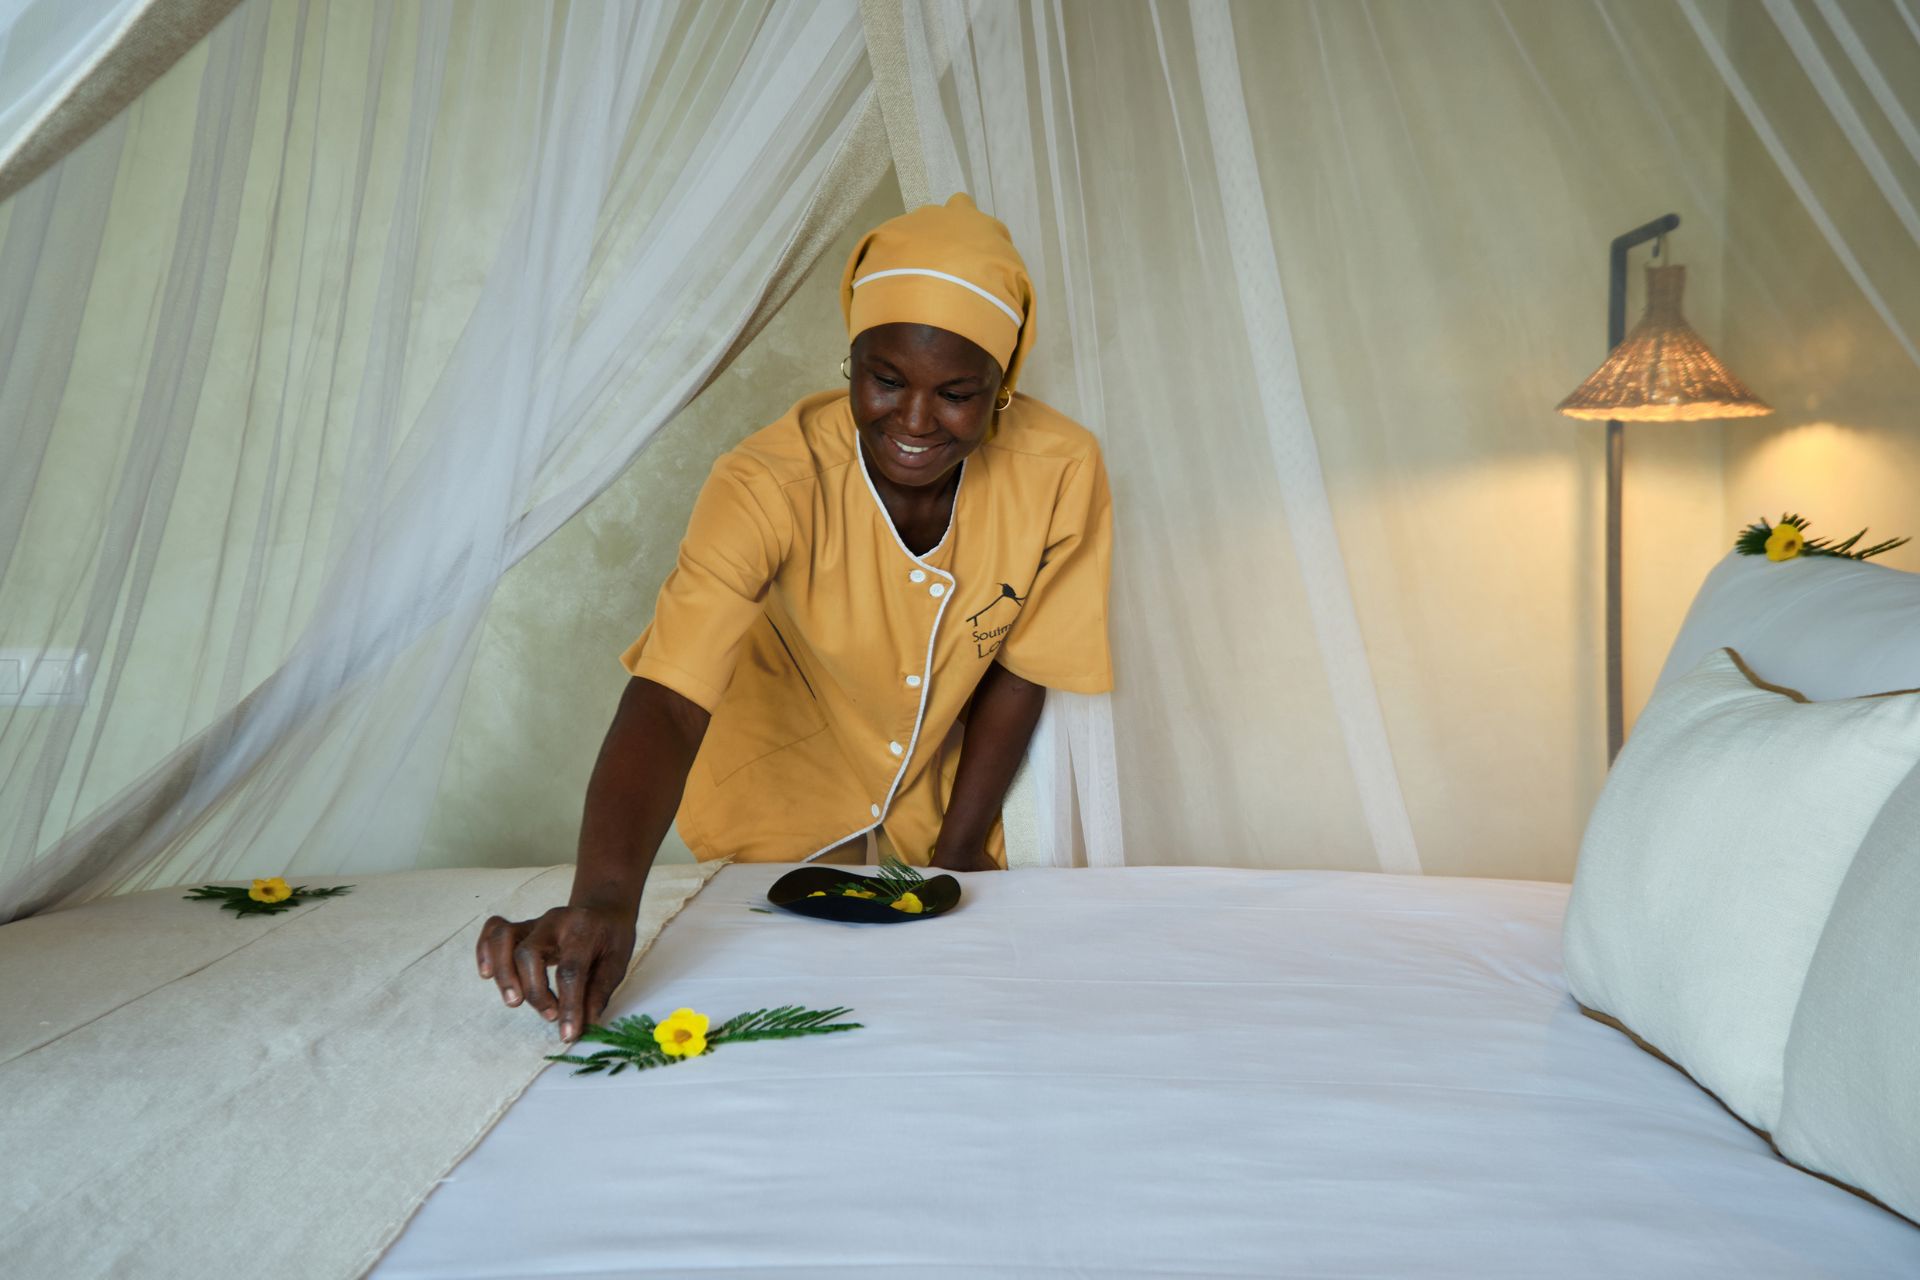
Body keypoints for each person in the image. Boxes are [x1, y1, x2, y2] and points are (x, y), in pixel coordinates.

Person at [476, 193, 1114, 1040]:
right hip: (771, 784)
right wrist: (604, 899)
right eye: (884, 380)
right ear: (850, 361)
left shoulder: (1060, 470)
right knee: (792, 1015)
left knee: (940, 1025)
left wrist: (961, 855)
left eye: (958, 393)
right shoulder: (766, 481)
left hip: (936, 801)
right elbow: (670, 695)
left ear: (1005, 385)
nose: (914, 421)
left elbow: (1020, 668)